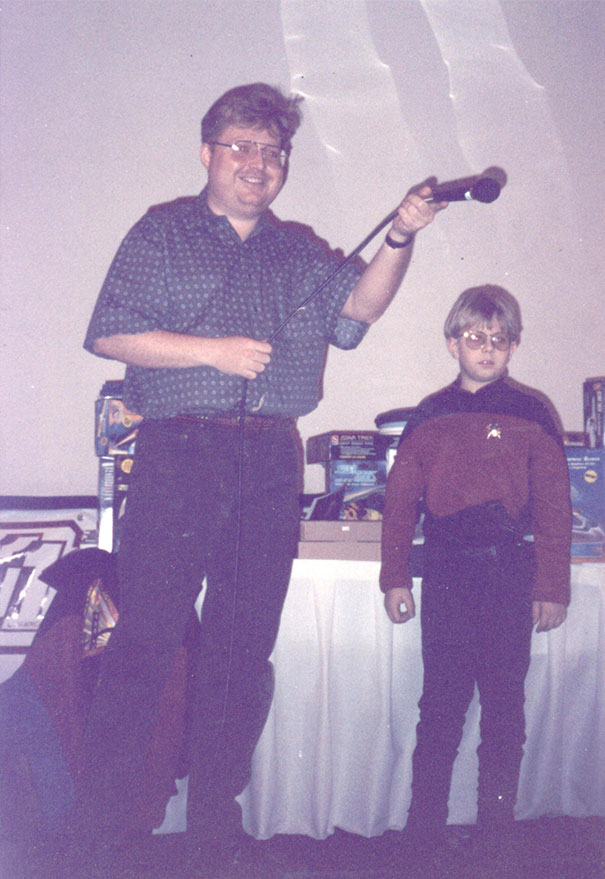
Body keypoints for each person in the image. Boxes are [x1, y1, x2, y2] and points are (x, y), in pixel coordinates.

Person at [79, 82, 445, 875]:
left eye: (271, 152)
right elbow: (110, 333)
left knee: (243, 653)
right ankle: (100, 831)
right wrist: (211, 351)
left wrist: (400, 239)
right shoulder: (162, 231)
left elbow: (356, 313)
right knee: (144, 643)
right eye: (240, 147)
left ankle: (215, 824)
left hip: (269, 458)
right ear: (208, 153)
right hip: (179, 453)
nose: (256, 164)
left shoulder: (296, 249)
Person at [380, 285, 572, 866]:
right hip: (447, 577)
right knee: (439, 704)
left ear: (513, 345)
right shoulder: (431, 415)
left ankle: (496, 830)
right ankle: (423, 831)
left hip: (510, 576)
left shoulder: (533, 413)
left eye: (498, 340)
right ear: (452, 344)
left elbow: (555, 507)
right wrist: (395, 577)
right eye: (474, 338)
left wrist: (552, 586)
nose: (486, 349)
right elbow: (398, 503)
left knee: (504, 706)